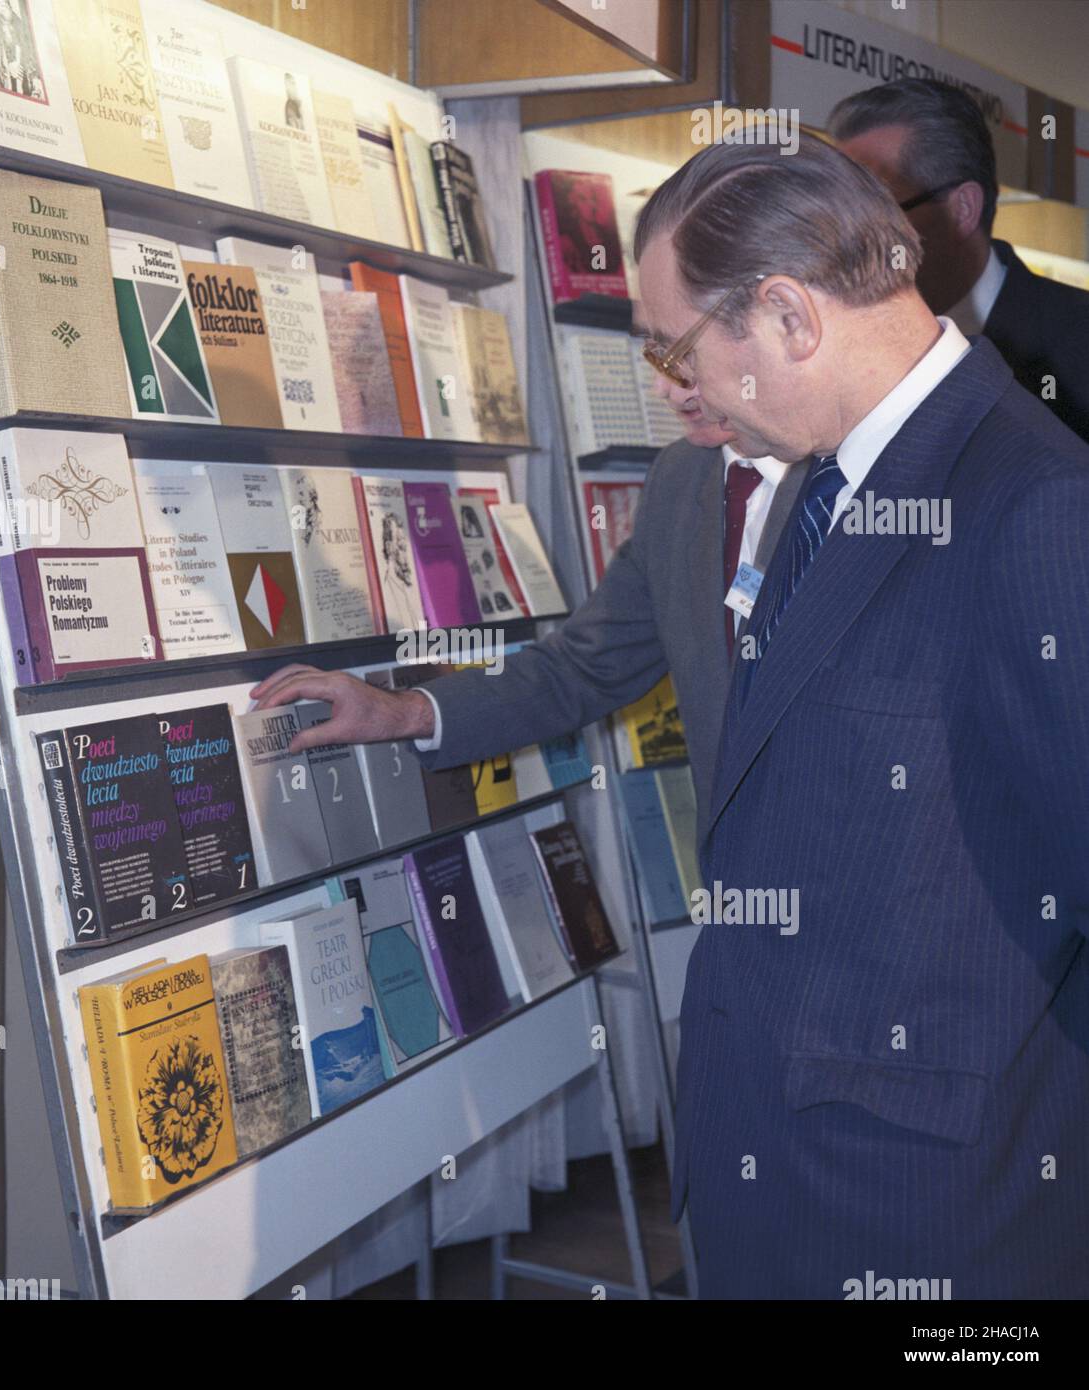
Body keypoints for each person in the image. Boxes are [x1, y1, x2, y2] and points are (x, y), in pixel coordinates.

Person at [255, 132, 1089, 1299]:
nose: (668, 379)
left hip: (934, 1209)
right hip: (780, 1165)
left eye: (677, 343)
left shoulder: (1035, 507)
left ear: (790, 317)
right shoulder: (836, 477)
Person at [830, 77, 1089, 442]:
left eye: (872, 213)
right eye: (836, 213)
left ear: (961, 210)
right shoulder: (838, 351)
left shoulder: (1075, 343)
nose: (846, 238)